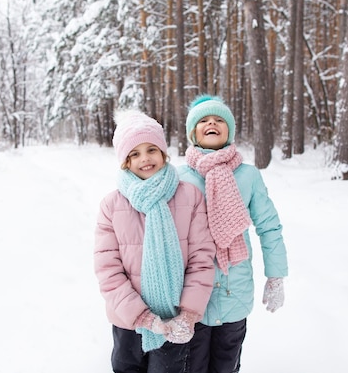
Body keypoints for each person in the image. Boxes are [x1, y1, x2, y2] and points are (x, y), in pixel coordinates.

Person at [94, 110, 217, 373]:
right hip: (129, 322)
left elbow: (202, 258)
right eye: (134, 154)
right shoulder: (111, 205)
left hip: (174, 318)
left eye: (151, 149)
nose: (145, 158)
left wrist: (189, 313)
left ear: (164, 153)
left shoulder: (189, 197)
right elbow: (108, 270)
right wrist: (142, 317)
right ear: (125, 162)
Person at [178, 95, 288, 373]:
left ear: (229, 131)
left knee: (226, 366)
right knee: (193, 366)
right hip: (192, 294)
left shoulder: (248, 175)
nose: (212, 123)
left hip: (234, 291)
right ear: (193, 133)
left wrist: (276, 276)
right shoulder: (179, 176)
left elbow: (269, 226)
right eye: (204, 120)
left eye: (219, 120)